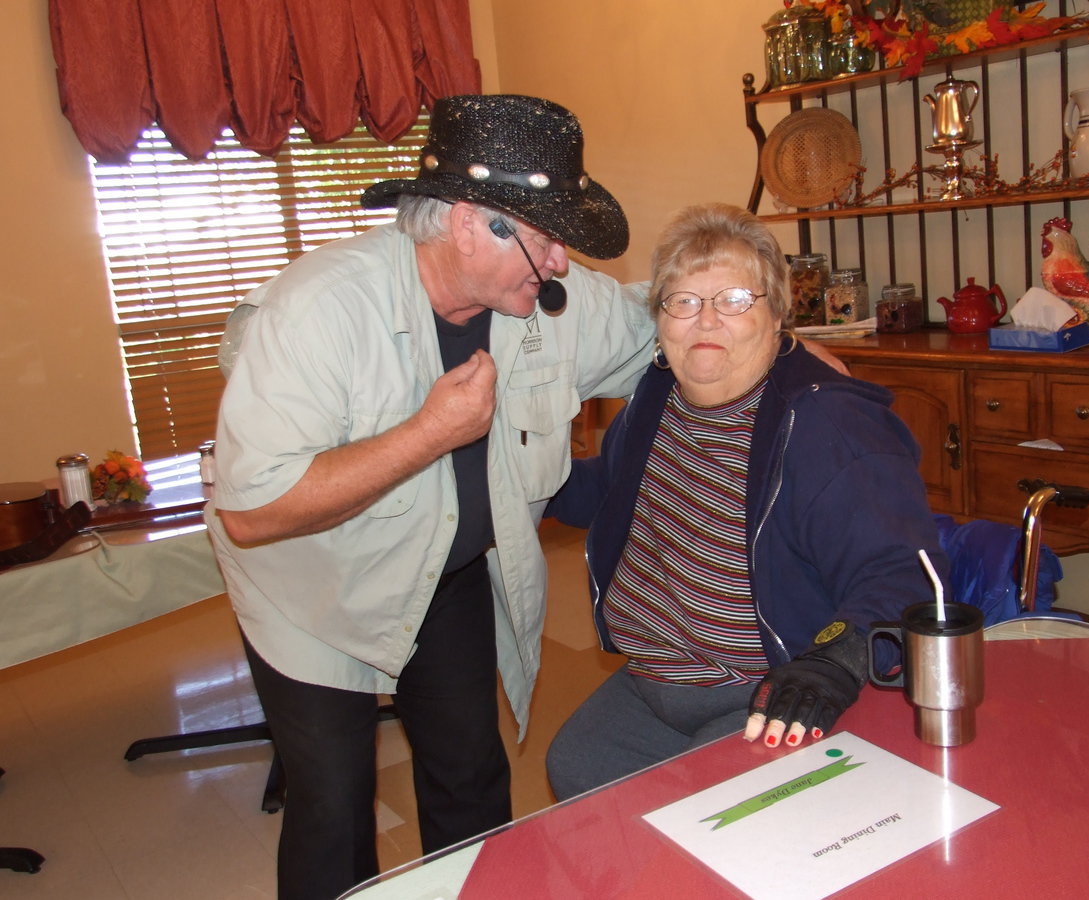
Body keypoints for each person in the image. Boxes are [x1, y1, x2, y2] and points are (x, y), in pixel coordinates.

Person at [204, 94, 660, 900]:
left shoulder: (549, 303)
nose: (560, 262)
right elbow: (252, 510)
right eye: (545, 237)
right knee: (335, 803)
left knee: (471, 777)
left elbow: (669, 337)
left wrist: (792, 356)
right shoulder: (318, 309)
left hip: (443, 571)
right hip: (311, 583)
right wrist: (428, 433)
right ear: (464, 222)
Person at [544, 202, 949, 799]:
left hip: (765, 687)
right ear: (658, 319)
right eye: (682, 301)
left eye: (735, 299)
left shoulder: (828, 426)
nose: (705, 321)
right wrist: (521, 469)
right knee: (576, 766)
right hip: (655, 678)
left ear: (778, 313)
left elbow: (900, 573)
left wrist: (833, 662)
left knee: (714, 822)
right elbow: (607, 492)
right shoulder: (657, 395)